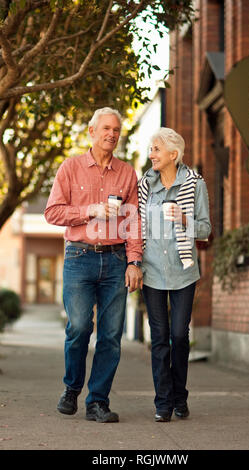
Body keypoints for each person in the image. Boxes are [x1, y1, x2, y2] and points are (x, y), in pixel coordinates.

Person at [45, 107, 143, 423]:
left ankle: (97, 401)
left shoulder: (127, 173)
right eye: (106, 129)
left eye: (116, 130)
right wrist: (89, 211)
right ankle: (71, 388)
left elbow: (134, 222)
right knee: (79, 328)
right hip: (79, 257)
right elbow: (53, 213)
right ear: (91, 131)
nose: (111, 134)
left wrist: (134, 261)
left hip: (115, 261)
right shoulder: (70, 168)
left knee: (111, 335)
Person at [138, 127, 211, 422]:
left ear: (173, 154)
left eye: (156, 149)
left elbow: (206, 229)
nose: (151, 155)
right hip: (152, 269)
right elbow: (136, 227)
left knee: (179, 335)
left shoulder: (195, 185)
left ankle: (180, 395)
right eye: (150, 149)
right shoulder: (145, 186)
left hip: (183, 270)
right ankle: (163, 402)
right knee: (159, 337)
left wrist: (185, 219)